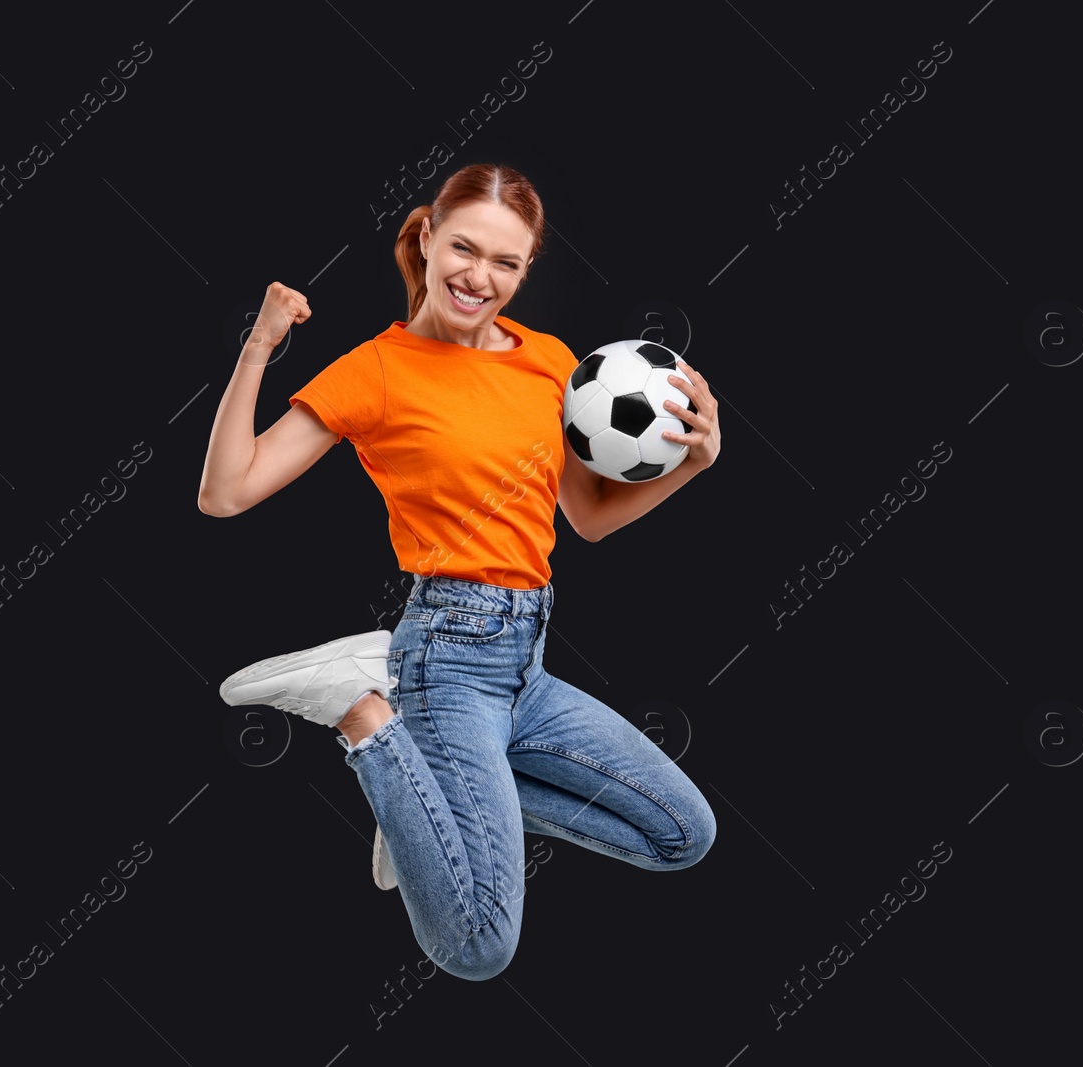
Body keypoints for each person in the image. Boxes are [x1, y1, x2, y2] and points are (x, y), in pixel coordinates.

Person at [198, 163, 719, 981]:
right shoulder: (379, 369)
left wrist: (690, 465)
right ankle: (369, 720)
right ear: (427, 237)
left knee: (682, 833)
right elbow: (226, 491)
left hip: (527, 662)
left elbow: (583, 517)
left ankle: (418, 801)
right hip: (447, 659)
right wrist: (259, 346)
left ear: (526, 269)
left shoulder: (551, 361)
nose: (480, 277)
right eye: (465, 249)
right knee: (477, 946)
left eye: (506, 263)